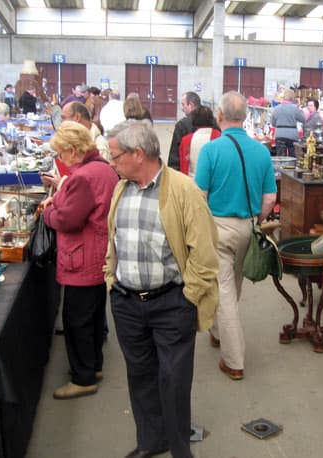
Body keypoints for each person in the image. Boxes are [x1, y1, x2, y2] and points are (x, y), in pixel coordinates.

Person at [104, 119, 219, 458]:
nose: (111, 163)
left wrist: (188, 298)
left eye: (115, 156)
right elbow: (114, 240)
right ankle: (151, 442)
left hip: (171, 303)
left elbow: (205, 255)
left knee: (174, 380)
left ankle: (180, 449)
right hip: (127, 302)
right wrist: (112, 281)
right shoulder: (121, 188)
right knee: (140, 376)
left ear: (138, 154)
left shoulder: (183, 191)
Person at [195, 91, 277, 381]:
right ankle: (219, 332)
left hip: (218, 227)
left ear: (219, 115)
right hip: (249, 227)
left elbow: (199, 195)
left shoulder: (210, 151)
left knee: (224, 290)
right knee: (232, 285)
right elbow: (270, 198)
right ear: (245, 117)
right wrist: (257, 220)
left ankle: (234, 361)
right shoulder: (262, 152)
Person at [41, 121, 118, 400]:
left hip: (81, 257)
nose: (61, 159)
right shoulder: (103, 169)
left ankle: (83, 377)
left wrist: (47, 213)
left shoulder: (83, 176)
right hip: (97, 253)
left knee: (77, 321)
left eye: (61, 153)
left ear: (73, 150)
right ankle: (92, 366)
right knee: (93, 317)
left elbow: (67, 220)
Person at [178, 105, 221, 177]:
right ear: (212, 119)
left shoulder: (186, 140)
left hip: (191, 181)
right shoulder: (219, 136)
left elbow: (183, 165)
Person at [168, 91, 201, 170]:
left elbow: (175, 157)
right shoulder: (213, 123)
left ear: (191, 105)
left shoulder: (182, 125)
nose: (182, 108)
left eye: (183, 104)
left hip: (187, 172)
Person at [271, 88, 305, 156]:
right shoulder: (295, 108)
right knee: (293, 156)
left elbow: (273, 124)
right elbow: (303, 119)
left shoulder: (276, 108)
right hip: (292, 135)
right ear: (293, 98)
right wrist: (299, 107)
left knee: (281, 157)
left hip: (279, 134)